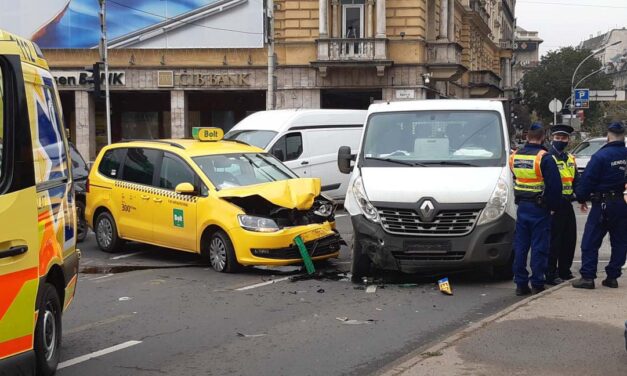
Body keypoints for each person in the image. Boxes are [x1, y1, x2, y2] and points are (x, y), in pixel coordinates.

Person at [572, 121, 627, 289]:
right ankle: (612, 277)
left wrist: (581, 197)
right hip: (621, 202)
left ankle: (588, 277)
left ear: (608, 136)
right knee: (620, 241)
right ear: (623, 136)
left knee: (591, 240)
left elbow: (588, 180)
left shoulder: (600, 156)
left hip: (602, 204)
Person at [509, 122, 562, 296]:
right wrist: (554, 207)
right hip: (540, 209)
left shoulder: (514, 157)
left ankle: (520, 284)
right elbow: (555, 187)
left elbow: (514, 178)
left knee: (521, 246)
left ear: (526, 136)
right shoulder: (544, 158)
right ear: (543, 138)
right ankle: (537, 283)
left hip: (522, 207)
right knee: (539, 247)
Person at [546, 124, 578, 285]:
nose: (560, 140)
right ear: (552, 138)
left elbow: (576, 180)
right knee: (554, 241)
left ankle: (565, 271)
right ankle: (550, 274)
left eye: (563, 138)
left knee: (569, 239)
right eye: (557, 138)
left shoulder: (570, 158)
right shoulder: (548, 157)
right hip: (554, 204)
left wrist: (581, 197)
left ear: (568, 140)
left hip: (567, 203)